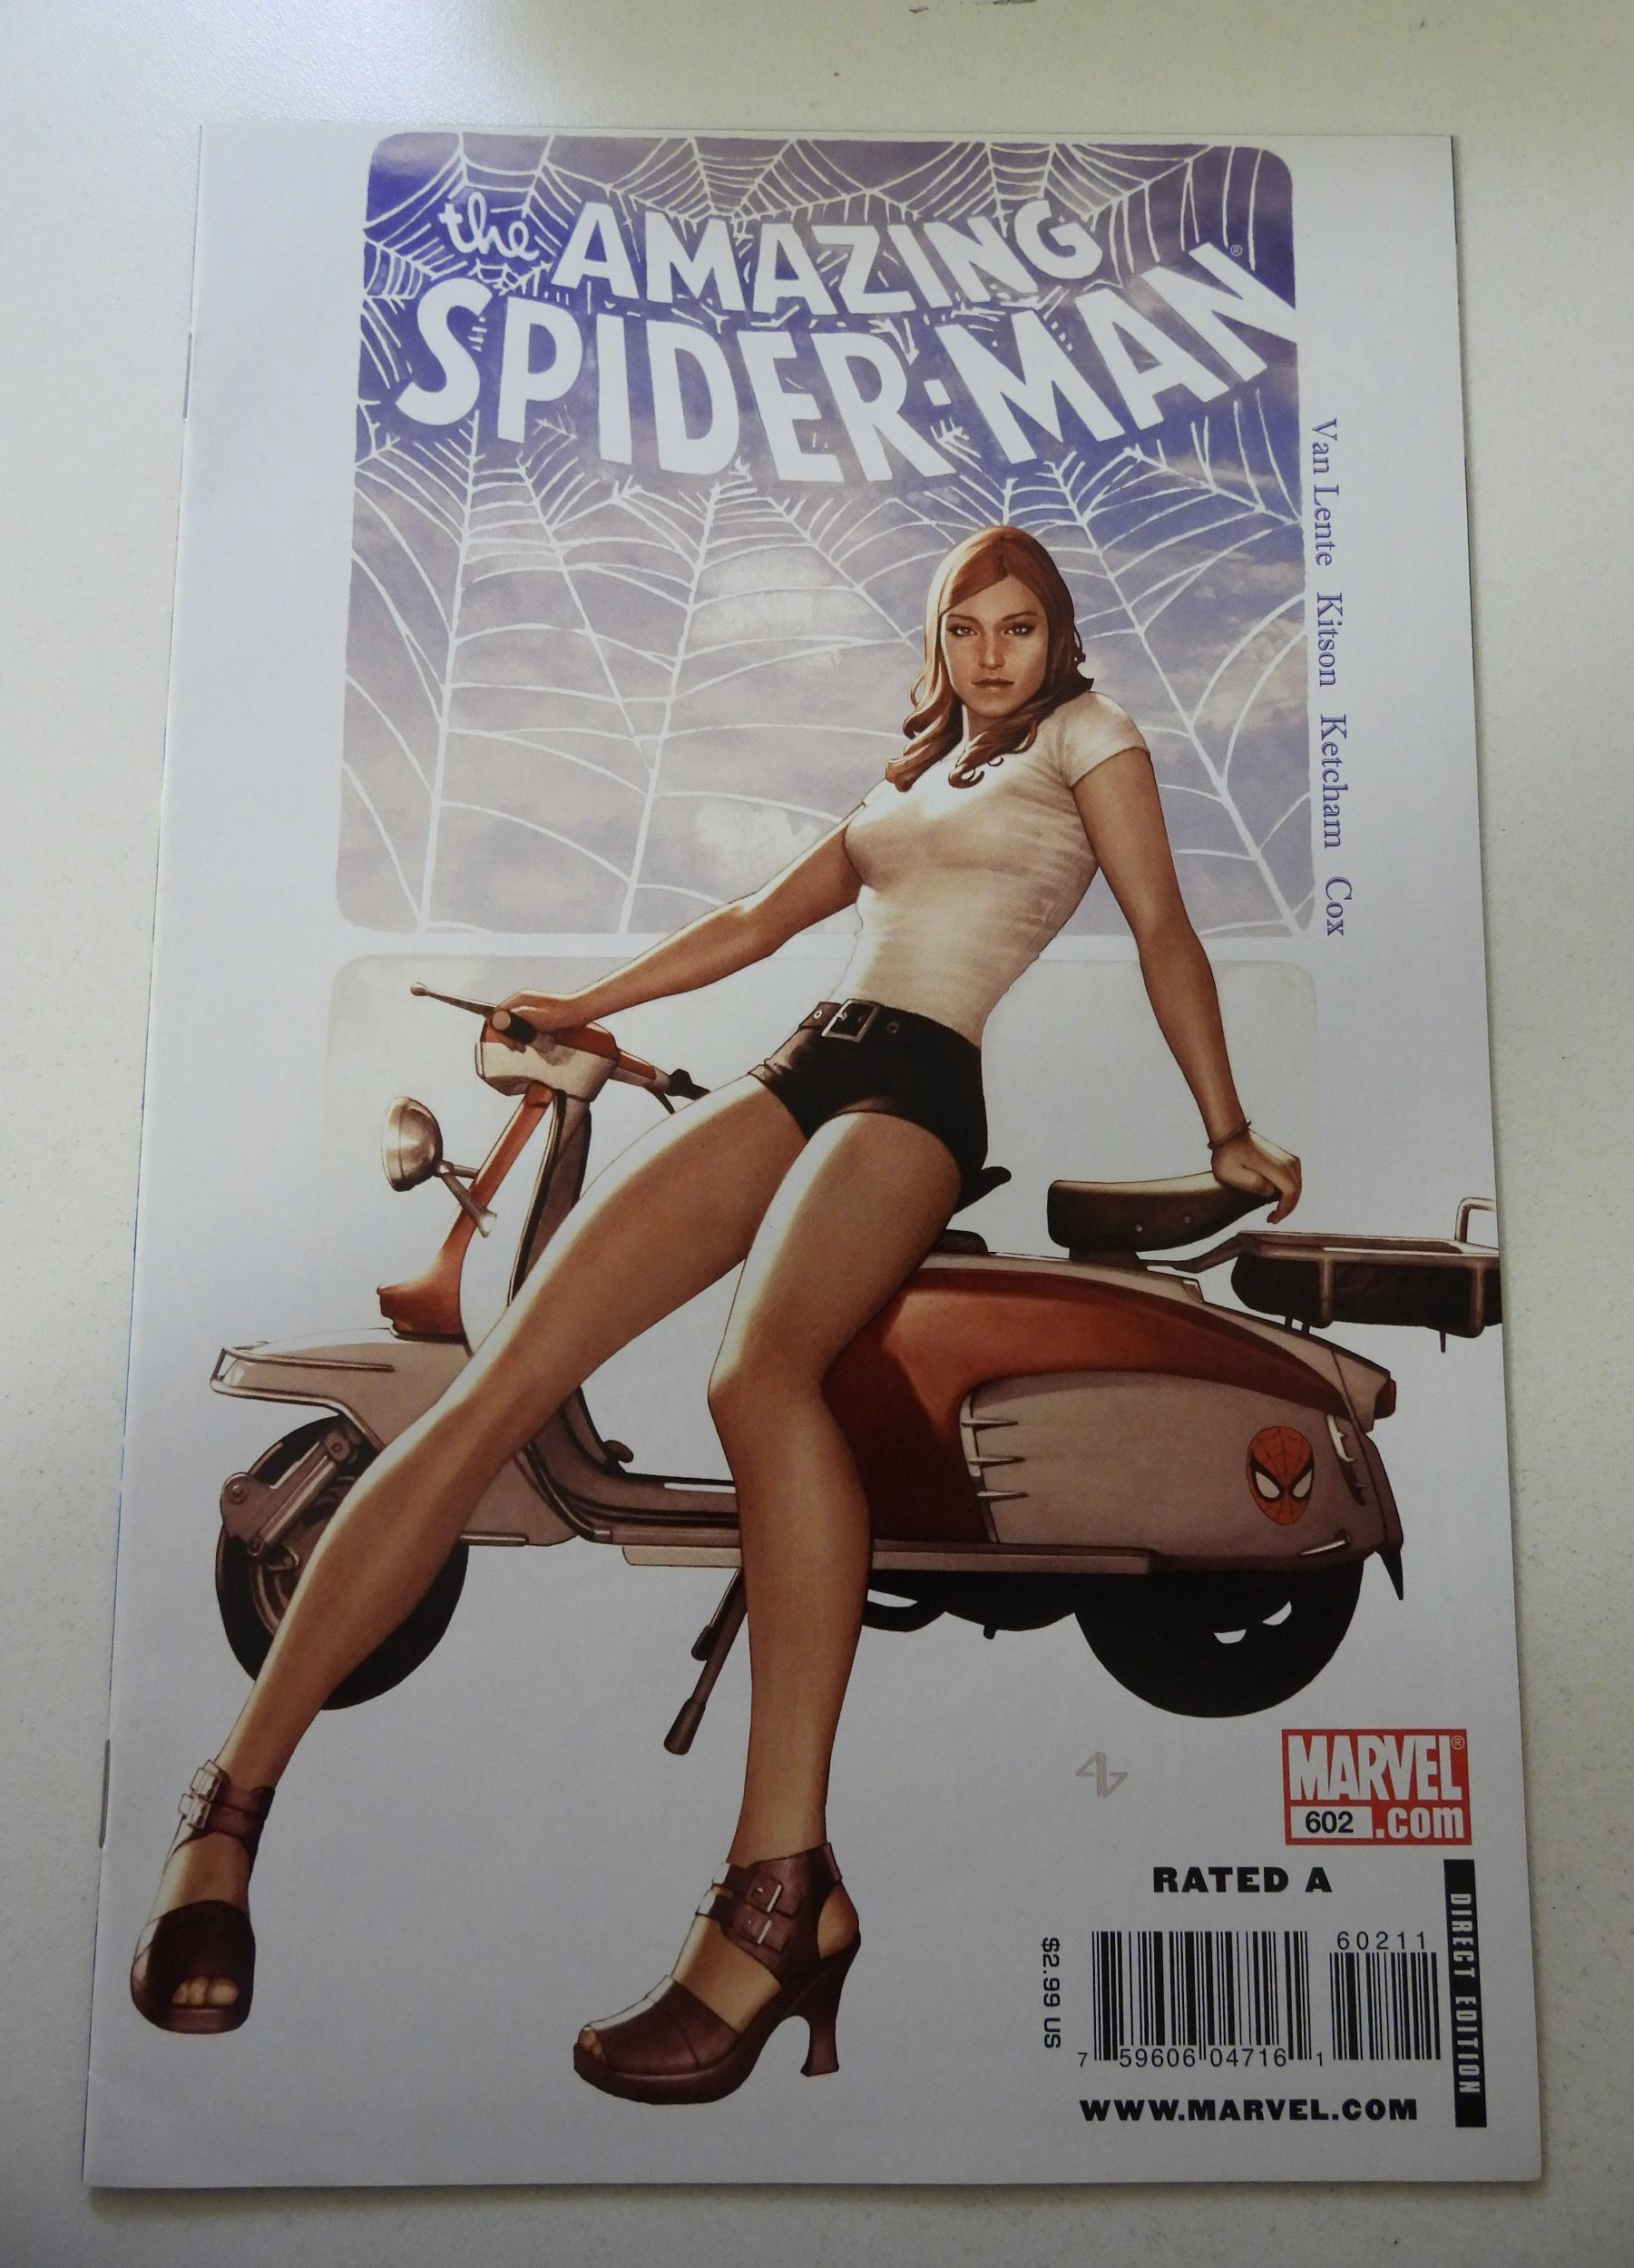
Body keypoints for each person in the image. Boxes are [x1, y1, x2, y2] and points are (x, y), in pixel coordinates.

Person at [132, 523, 1301, 2102]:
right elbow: (756, 922)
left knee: (759, 1379)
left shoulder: (1093, 739)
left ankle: (780, 1891)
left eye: (1020, 628)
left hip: (916, 1091)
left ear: (1059, 637)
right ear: (940, 640)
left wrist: (1227, 1127)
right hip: (807, 1058)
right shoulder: (913, 778)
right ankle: (223, 1821)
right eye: (966, 628)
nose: (992, 656)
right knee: (496, 1389)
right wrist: (587, 1006)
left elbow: (1163, 928)